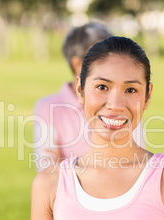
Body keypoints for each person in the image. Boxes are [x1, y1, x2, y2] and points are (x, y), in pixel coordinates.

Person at [30, 36, 164, 220]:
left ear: (147, 96)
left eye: (131, 89)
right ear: (80, 89)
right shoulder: (49, 184)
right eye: (102, 87)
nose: (116, 104)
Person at [33, 23, 145, 172]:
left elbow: (137, 161)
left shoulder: (124, 103)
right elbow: (47, 167)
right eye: (101, 59)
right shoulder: (48, 107)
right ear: (77, 64)